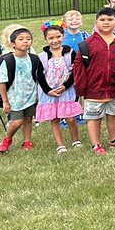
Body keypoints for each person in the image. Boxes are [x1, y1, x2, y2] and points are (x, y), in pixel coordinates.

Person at [73, 7, 115, 156]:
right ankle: (96, 144)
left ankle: (114, 139)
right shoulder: (87, 43)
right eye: (102, 20)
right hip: (94, 88)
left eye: (110, 19)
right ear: (96, 22)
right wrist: (81, 88)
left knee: (113, 114)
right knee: (94, 118)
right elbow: (78, 67)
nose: (106, 22)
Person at [35, 23, 81, 152]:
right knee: (54, 119)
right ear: (46, 39)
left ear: (63, 36)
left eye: (58, 37)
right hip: (49, 92)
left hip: (66, 90)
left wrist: (65, 86)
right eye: (51, 38)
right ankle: (60, 145)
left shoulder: (70, 53)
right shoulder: (42, 57)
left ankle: (75, 140)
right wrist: (48, 91)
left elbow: (75, 71)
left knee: (70, 118)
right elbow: (40, 76)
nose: (55, 41)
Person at [0, 28, 39, 153]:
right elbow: (2, 82)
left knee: (28, 119)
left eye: (28, 39)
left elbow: (36, 77)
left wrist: (37, 95)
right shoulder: (8, 60)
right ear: (13, 44)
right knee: (17, 121)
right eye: (21, 39)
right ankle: (7, 139)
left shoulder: (34, 59)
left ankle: (27, 141)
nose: (25, 41)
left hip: (30, 96)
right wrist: (5, 101)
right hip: (14, 98)